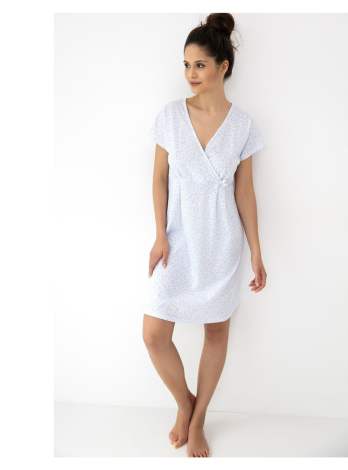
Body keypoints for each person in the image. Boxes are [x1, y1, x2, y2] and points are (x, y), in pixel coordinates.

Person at [142, 13, 267, 458]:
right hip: (177, 240)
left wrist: (257, 251)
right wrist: (160, 235)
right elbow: (159, 179)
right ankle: (185, 403)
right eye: (186, 65)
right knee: (154, 334)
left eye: (199, 65)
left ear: (222, 66)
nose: (191, 74)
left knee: (216, 331)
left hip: (221, 243)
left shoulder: (243, 125)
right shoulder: (171, 116)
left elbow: (245, 192)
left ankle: (198, 420)